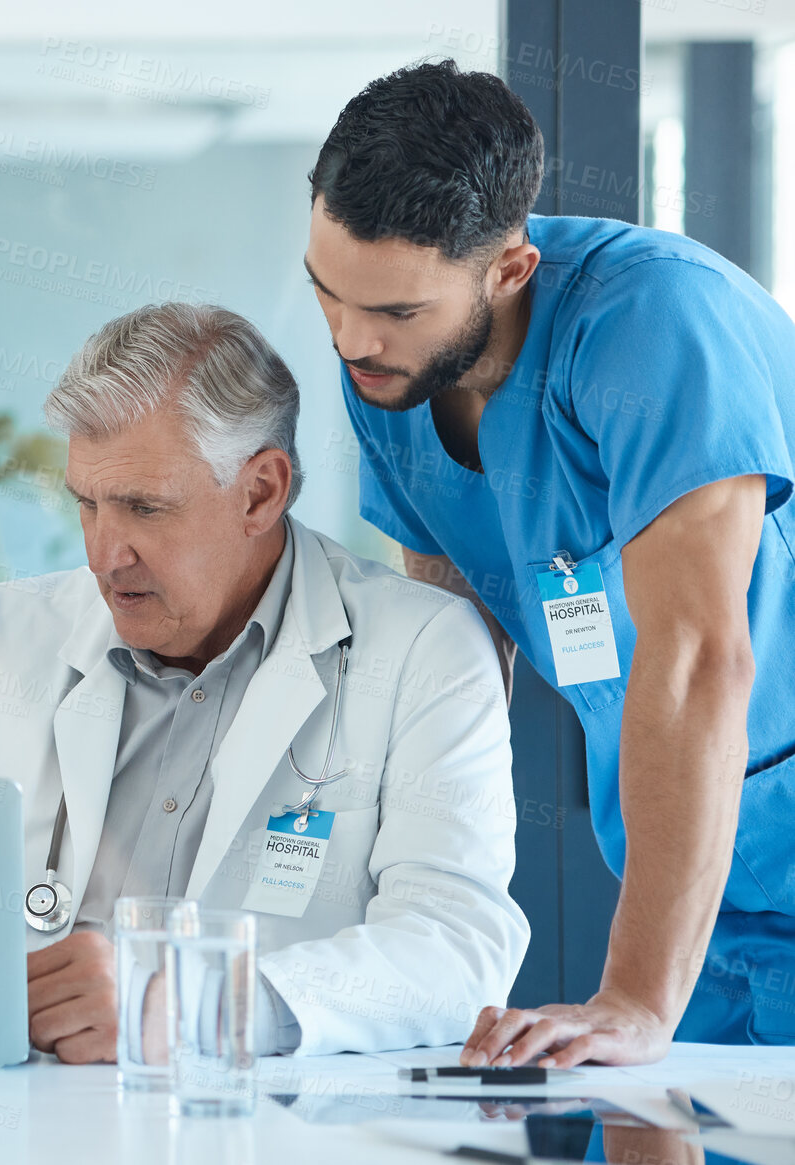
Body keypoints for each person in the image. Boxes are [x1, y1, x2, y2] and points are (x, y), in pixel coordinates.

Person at [306, 61, 795, 1063]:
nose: (351, 339)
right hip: (702, 896)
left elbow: (701, 659)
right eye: (326, 292)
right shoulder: (388, 375)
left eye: (395, 311)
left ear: (510, 271)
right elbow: (444, 675)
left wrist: (634, 999)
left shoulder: (654, 327)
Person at [0, 303, 529, 1059]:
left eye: (143, 509)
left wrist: (190, 1002)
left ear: (259, 491)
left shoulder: (424, 648)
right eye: (85, 504)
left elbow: (456, 948)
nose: (103, 555)